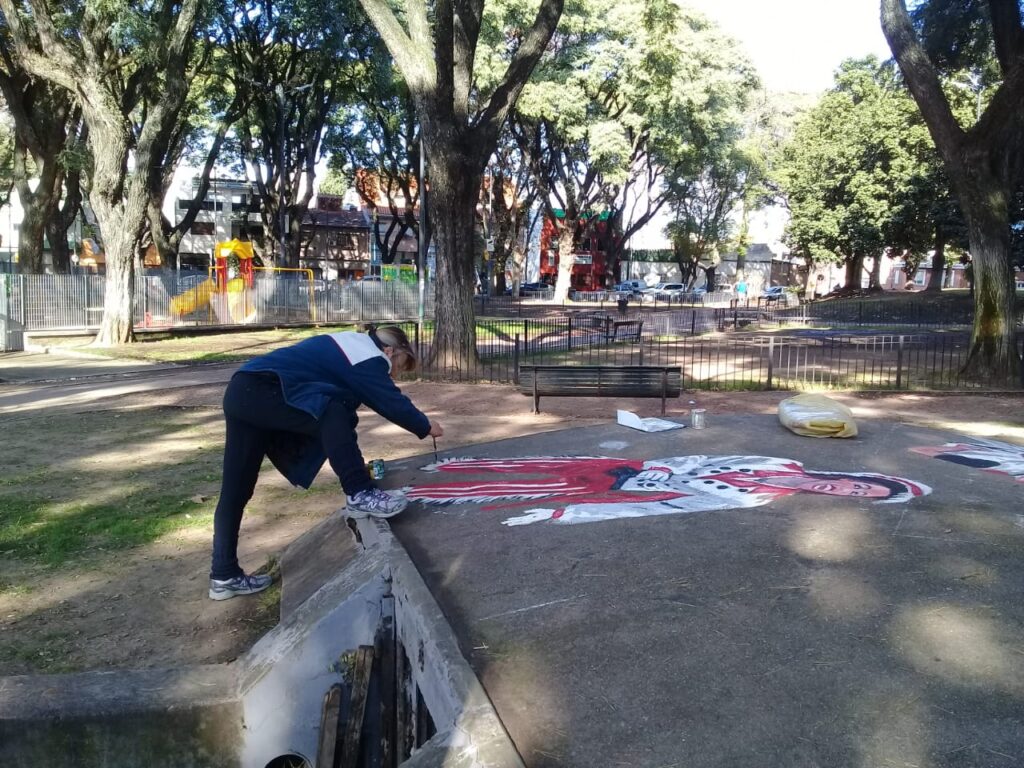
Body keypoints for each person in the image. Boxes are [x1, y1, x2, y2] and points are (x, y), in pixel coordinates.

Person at [208, 325, 443, 600]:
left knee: (236, 489)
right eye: (397, 367)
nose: (393, 375)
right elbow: (388, 400)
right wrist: (425, 425)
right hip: (264, 390)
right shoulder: (367, 354)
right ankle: (360, 492)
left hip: (242, 391)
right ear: (390, 351)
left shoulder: (347, 344)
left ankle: (224, 575)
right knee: (329, 412)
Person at [404, 454, 929, 527]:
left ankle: (425, 494)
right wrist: (667, 466)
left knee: (517, 492)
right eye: (863, 487)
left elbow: (659, 509)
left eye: (856, 499)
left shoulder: (757, 499)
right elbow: (702, 462)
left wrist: (559, 517)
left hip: (619, 492)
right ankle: (449, 464)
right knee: (525, 463)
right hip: (629, 464)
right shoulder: (778, 463)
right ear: (864, 477)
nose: (847, 490)